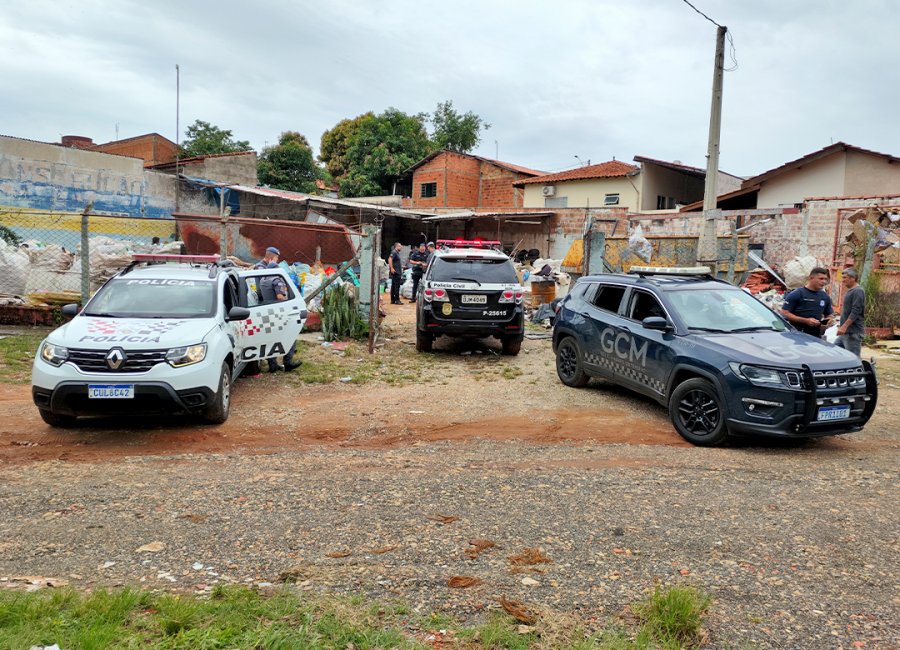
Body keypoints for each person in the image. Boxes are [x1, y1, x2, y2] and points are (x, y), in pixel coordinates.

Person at [258, 262, 301, 372]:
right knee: (291, 335)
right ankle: (288, 362)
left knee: (271, 338)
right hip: (278, 312)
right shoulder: (276, 280)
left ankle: (273, 364)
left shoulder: (263, 280)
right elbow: (280, 296)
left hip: (267, 312)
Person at [782, 266, 833, 337]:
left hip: (815, 335)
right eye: (821, 279)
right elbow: (785, 313)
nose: (824, 281)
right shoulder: (797, 294)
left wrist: (827, 322)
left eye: (825, 279)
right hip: (796, 334)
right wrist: (805, 320)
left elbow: (829, 315)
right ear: (811, 278)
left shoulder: (825, 296)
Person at [835, 268, 865, 356]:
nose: (843, 280)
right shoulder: (851, 291)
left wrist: (844, 326)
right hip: (845, 332)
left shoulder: (858, 291)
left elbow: (856, 311)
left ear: (853, 278)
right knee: (836, 353)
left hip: (852, 333)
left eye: (845, 278)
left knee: (853, 358)